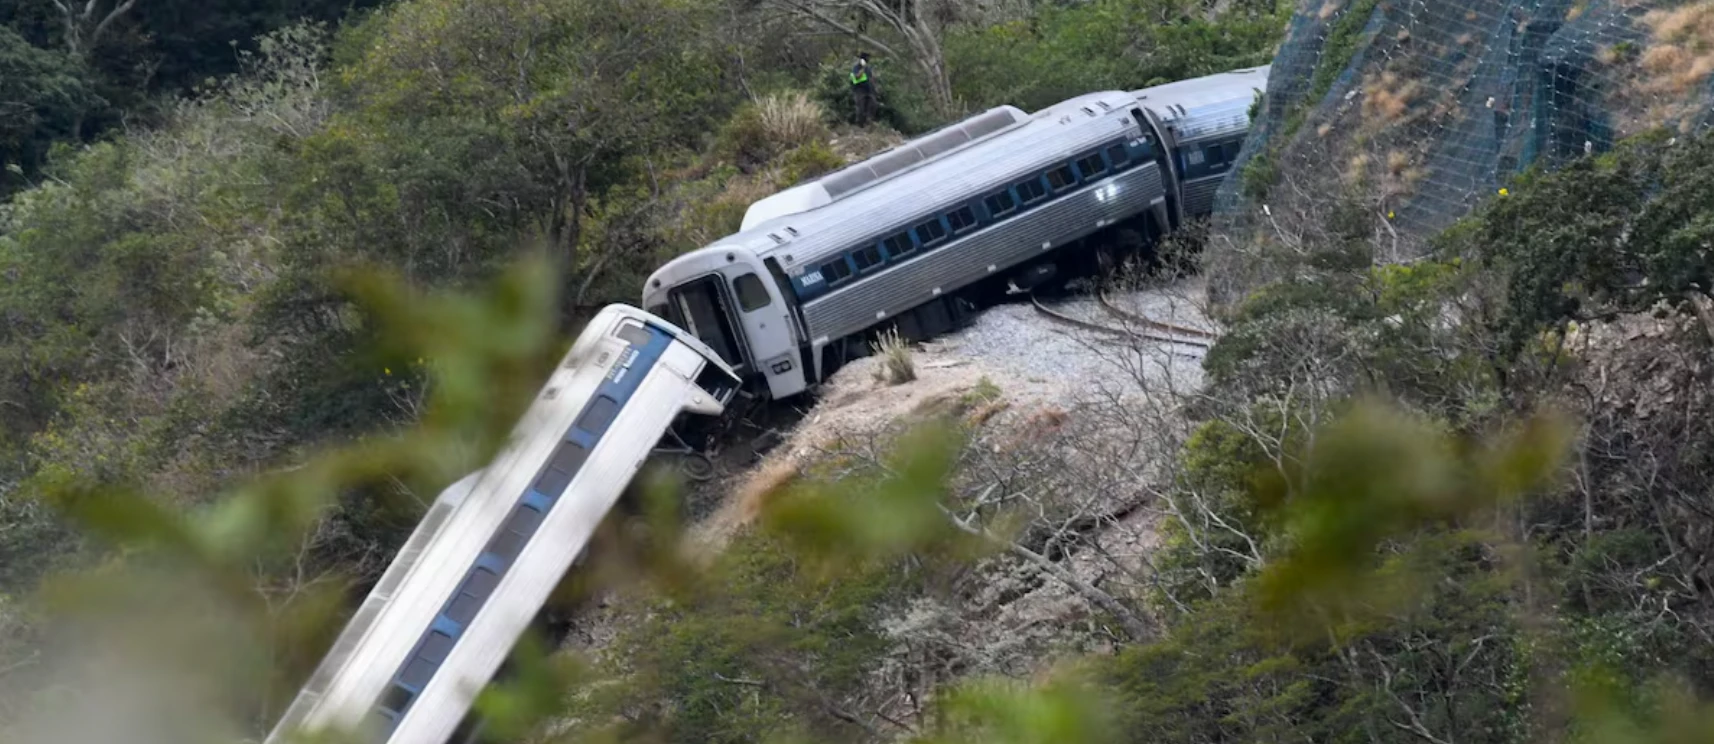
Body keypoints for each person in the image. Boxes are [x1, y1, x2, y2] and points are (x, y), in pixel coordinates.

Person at [850, 52, 878, 126]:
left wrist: (875, 87)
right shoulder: (856, 67)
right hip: (859, 90)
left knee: (873, 105)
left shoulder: (868, 68)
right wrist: (863, 68)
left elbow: (871, 78)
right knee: (860, 108)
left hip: (869, 90)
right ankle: (860, 124)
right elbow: (857, 76)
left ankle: (869, 121)